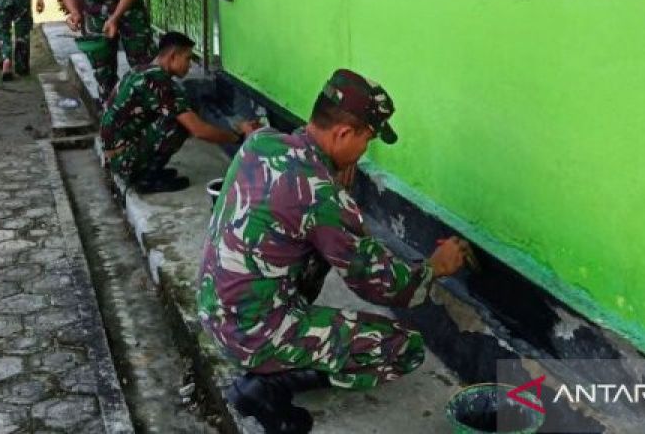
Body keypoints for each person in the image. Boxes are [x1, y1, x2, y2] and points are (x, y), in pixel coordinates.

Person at [197, 69, 471, 434]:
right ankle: (269, 385)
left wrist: (331, 176)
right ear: (343, 133)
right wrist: (435, 268)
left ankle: (276, 357)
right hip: (249, 335)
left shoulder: (262, 141)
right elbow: (384, 287)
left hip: (215, 312)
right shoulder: (321, 195)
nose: (364, 152)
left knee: (309, 251)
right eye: (366, 140)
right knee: (403, 347)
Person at [101, 31, 259, 194]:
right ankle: (145, 178)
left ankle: (146, 169)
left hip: (117, 155)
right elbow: (199, 131)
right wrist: (238, 138)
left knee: (181, 112)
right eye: (188, 58)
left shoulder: (141, 70)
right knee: (179, 123)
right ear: (173, 56)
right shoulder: (159, 82)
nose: (190, 65)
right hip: (124, 160)